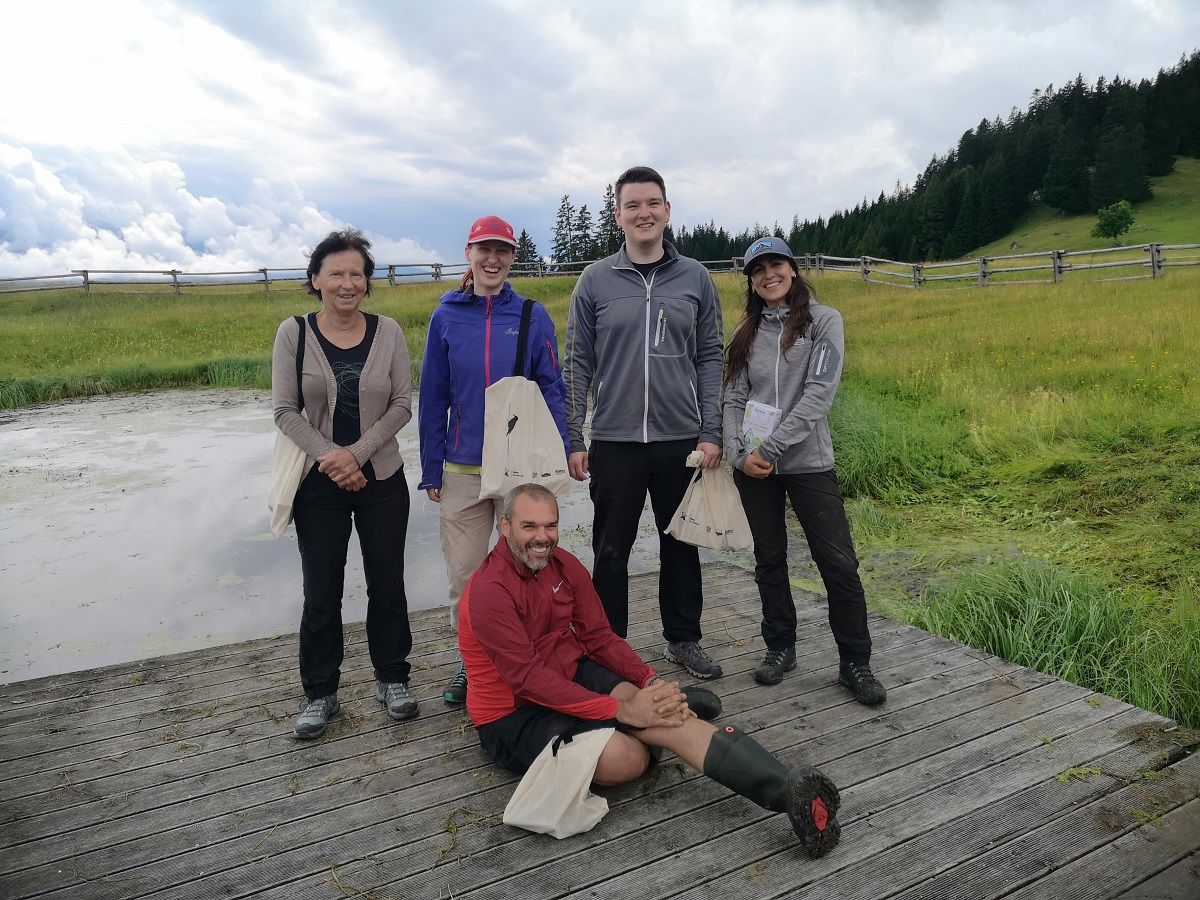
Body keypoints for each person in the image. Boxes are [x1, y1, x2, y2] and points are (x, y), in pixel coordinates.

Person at [458, 483, 842, 859]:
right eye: (529, 526)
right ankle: (631, 725)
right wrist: (622, 711)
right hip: (514, 712)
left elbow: (600, 638)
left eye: (550, 525)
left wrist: (649, 681)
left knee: (662, 709)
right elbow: (527, 680)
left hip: (571, 673)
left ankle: (790, 794)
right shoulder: (490, 591)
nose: (542, 537)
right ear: (504, 526)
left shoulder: (565, 566)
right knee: (630, 759)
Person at [564, 165, 726, 679]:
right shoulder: (595, 280)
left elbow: (710, 356)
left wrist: (711, 429)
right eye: (632, 205)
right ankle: (609, 645)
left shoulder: (694, 277)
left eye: (652, 203)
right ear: (618, 216)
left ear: (668, 210)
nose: (644, 213)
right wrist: (574, 434)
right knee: (611, 548)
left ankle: (683, 638)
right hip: (614, 438)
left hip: (680, 438)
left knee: (680, 542)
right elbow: (578, 363)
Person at [722, 236, 886, 705]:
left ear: (792, 269)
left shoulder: (823, 321)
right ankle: (780, 648)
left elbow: (819, 393)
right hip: (755, 469)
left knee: (838, 563)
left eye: (776, 264)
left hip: (808, 463)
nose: (768, 274)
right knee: (769, 560)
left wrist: (772, 447)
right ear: (752, 280)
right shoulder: (744, 332)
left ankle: (855, 661)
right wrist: (739, 453)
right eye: (758, 269)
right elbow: (732, 397)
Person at [272, 229, 419, 739]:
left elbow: (403, 403)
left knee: (388, 584)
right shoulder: (293, 333)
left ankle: (392, 678)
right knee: (321, 592)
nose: (347, 282)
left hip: (382, 479)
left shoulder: (390, 332)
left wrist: (355, 455)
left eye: (356, 273)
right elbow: (284, 411)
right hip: (317, 486)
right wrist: (331, 459)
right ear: (315, 279)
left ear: (368, 282)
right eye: (336, 273)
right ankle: (321, 692)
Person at [418, 215, 569, 706]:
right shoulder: (446, 315)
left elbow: (552, 387)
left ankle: (533, 660)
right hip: (461, 467)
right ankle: (472, 662)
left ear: (513, 258)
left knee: (528, 568)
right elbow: (433, 395)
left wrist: (565, 449)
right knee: (465, 575)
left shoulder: (530, 315)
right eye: (484, 248)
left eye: (503, 250)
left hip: (518, 466)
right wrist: (430, 466)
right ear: (468, 253)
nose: (493, 258)